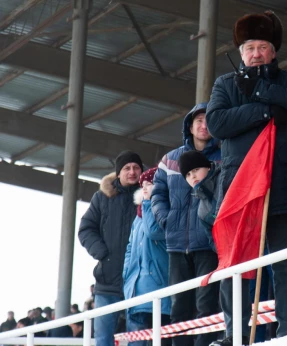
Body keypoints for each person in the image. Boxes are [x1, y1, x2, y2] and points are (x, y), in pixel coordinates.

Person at [206, 10, 287, 345]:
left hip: (282, 188)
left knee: (286, 265)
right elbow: (217, 124)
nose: (255, 53)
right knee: (235, 264)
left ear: (274, 51)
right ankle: (235, 332)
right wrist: (265, 109)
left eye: (262, 47)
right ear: (240, 52)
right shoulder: (225, 84)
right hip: (239, 189)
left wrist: (264, 90)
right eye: (249, 47)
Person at [151, 103, 221, 346]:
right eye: (199, 121)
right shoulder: (170, 160)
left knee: (207, 305)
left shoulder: (224, 157)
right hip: (177, 245)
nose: (204, 126)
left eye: (209, 120)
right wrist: (166, 220)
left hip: (209, 245)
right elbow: (157, 194)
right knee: (179, 307)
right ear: (189, 126)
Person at [79, 151, 143, 346]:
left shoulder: (149, 195)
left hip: (139, 280)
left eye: (136, 168)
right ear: (118, 173)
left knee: (139, 338)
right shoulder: (102, 197)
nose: (132, 172)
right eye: (127, 168)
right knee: (103, 338)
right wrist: (102, 253)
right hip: (107, 281)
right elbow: (86, 228)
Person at [124, 167, 172, 346]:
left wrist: (147, 204)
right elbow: (130, 247)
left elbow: (154, 232)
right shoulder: (138, 216)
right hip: (136, 289)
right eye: (142, 184)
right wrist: (127, 275)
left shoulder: (163, 209)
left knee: (160, 340)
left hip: (158, 286)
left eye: (149, 184)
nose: (144, 188)